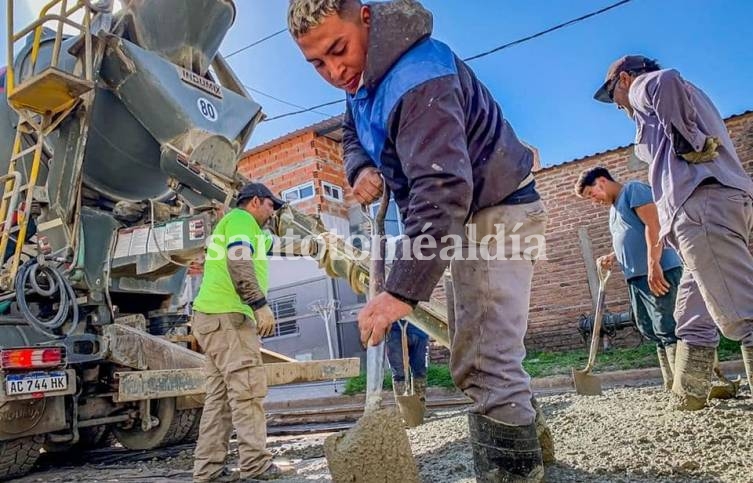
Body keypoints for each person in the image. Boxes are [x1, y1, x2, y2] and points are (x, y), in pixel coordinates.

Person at [288, 1, 552, 480]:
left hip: (496, 210)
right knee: (478, 347)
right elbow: (352, 130)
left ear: (365, 17)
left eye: (338, 50)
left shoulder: (419, 74)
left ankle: (515, 471)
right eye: (317, 63)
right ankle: (529, 446)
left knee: (484, 358)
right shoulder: (362, 82)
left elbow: (443, 188)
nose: (334, 70)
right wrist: (360, 167)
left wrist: (400, 291)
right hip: (464, 216)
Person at [594, 55, 753, 408]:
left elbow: (663, 81)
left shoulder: (642, 86)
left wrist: (688, 141)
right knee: (691, 315)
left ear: (623, 79)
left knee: (743, 311)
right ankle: (690, 394)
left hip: (702, 203)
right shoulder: (683, 100)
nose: (618, 106)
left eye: (613, 96)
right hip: (706, 208)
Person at [190, 182, 290, 482]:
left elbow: (285, 245)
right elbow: (238, 259)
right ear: (256, 202)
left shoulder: (249, 231)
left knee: (219, 399)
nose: (274, 212)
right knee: (247, 391)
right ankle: (256, 466)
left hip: (212, 318)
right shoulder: (241, 220)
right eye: (272, 205)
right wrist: (259, 304)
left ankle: (208, 471)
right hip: (228, 318)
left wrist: (319, 246)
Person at [575, 167, 683, 389]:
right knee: (648, 328)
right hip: (637, 277)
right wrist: (613, 256)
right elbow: (633, 234)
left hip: (659, 270)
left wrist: (653, 264)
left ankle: (684, 386)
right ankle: (672, 383)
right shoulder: (614, 210)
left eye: (591, 194)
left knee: (667, 326)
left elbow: (654, 225)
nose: (593, 201)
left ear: (602, 182)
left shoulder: (633, 190)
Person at [385, 320, 429, 421]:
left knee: (419, 370)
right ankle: (403, 411)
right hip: (394, 326)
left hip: (419, 325)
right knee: (398, 372)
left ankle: (420, 408)